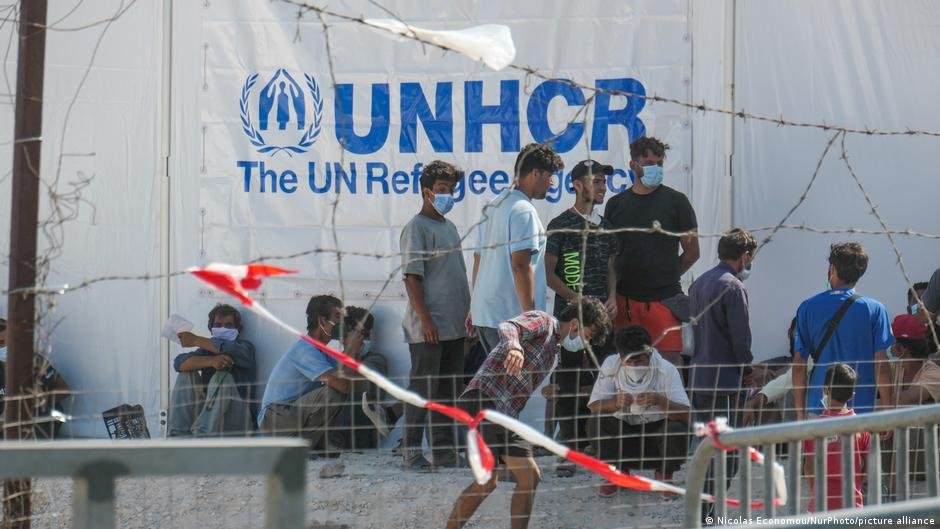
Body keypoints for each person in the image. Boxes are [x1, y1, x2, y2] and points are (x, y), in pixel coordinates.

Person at [445, 298, 611, 529]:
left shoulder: (554, 351)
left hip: (504, 413)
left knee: (529, 476)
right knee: (488, 481)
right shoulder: (543, 321)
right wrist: (513, 346)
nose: (586, 342)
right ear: (574, 324)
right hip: (484, 400)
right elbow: (508, 326)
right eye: (588, 335)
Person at [544, 159, 619, 475]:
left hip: (603, 319)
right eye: (597, 181)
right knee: (569, 384)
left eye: (604, 182)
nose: (602, 187)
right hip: (571, 321)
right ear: (577, 184)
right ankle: (569, 450)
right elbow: (550, 275)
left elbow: (612, 268)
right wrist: (580, 303)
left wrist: (613, 297)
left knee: (605, 380)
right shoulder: (561, 224)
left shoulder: (607, 225)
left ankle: (601, 447)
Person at [603, 136, 699, 365]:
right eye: (648, 164)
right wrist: (612, 294)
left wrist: (666, 275)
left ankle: (672, 402)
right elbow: (610, 258)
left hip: (664, 300)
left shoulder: (677, 202)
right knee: (624, 367)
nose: (654, 169)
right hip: (624, 301)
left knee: (669, 365)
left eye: (659, 164)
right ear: (633, 165)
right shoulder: (615, 205)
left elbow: (693, 252)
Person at [400, 160, 470, 471]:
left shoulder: (450, 227)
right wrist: (426, 320)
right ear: (427, 191)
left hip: (455, 325)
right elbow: (412, 277)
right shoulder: (417, 227)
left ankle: (444, 451)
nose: (448, 195)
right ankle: (411, 452)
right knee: (423, 389)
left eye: (452, 190)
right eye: (442, 190)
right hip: (429, 327)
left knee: (447, 390)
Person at [258, 295, 386, 453]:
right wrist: (351, 350)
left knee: (337, 390)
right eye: (337, 317)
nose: (342, 323)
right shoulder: (305, 349)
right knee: (333, 392)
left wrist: (354, 352)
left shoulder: (322, 352)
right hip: (275, 417)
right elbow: (343, 385)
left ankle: (307, 446)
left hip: (291, 414)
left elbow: (356, 385)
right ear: (321, 321)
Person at [470, 143, 564, 356]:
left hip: (486, 314)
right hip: (510, 319)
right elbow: (521, 266)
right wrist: (530, 318)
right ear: (535, 173)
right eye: (549, 176)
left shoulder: (494, 204)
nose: (551, 183)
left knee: (498, 387)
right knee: (513, 387)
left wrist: (474, 306)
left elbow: (479, 258)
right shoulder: (523, 210)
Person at [793, 242, 894, 421]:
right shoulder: (875, 310)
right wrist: (888, 410)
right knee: (858, 451)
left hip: (819, 406)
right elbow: (882, 366)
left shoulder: (807, 308)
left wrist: (800, 413)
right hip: (860, 409)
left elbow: (799, 366)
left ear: (832, 268)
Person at [586, 325, 690, 497]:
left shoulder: (666, 370)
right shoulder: (611, 365)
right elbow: (593, 406)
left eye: (639, 361)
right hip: (624, 432)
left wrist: (660, 401)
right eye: (629, 362)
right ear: (620, 357)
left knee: (677, 429)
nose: (634, 366)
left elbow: (687, 415)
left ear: (649, 354)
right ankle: (617, 473)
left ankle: (665, 475)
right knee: (596, 422)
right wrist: (614, 403)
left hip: (656, 436)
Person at [689, 228, 757, 415]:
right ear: (744, 256)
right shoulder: (734, 287)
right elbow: (741, 339)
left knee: (707, 440)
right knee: (727, 441)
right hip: (725, 382)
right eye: (751, 258)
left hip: (699, 379)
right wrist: (748, 370)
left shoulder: (698, 284)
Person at [169, 304, 256, 437]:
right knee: (187, 374)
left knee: (222, 377)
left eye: (228, 325)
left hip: (238, 422)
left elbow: (230, 349)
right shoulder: (206, 351)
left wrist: (196, 340)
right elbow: (179, 363)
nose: (223, 328)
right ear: (211, 328)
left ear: (237, 328)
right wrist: (211, 361)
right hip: (211, 417)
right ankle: (177, 435)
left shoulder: (245, 347)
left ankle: (202, 437)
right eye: (218, 325)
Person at [803, 363, 870, 512]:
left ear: (825, 390)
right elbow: (868, 468)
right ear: (852, 394)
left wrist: (815, 489)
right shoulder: (861, 426)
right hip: (852, 507)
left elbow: (808, 468)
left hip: (821, 506)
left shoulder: (814, 428)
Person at [0, 317, 71, 438]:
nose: (3, 346)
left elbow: (64, 389)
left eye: (3, 342)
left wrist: (35, 402)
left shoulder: (33, 361)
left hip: (36, 420)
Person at [889, 314, 940, 406]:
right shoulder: (895, 368)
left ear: (902, 348)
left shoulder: (934, 373)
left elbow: (909, 398)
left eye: (890, 340)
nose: (887, 344)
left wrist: (864, 408)